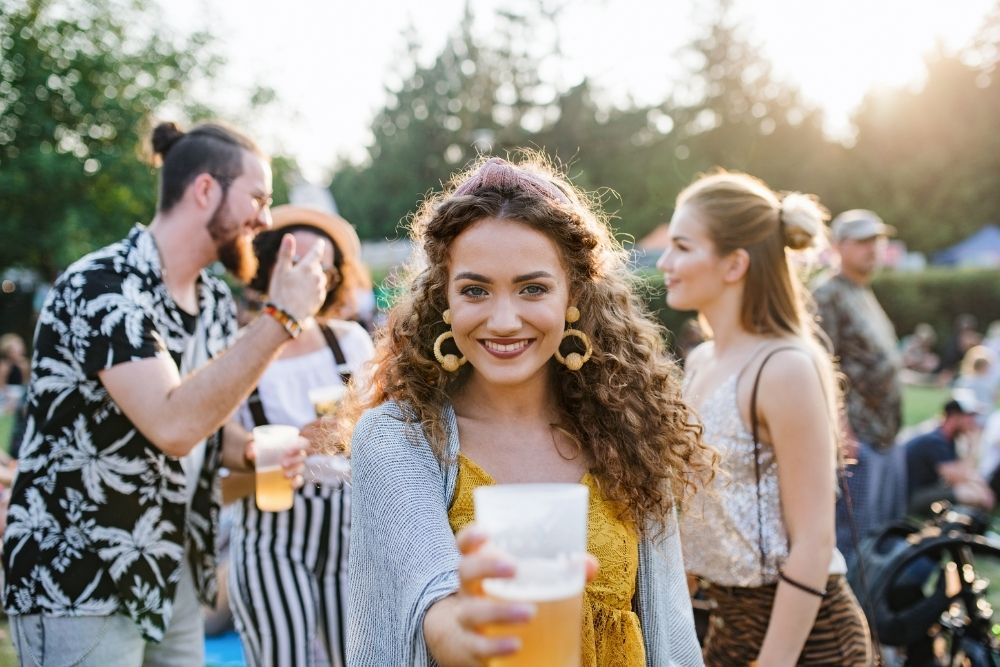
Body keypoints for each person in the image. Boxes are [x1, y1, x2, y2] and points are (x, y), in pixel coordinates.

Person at [348, 155, 713, 666]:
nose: (503, 320)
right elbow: (432, 602)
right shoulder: (398, 438)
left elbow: (671, 632)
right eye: (475, 290)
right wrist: (466, 632)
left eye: (532, 288)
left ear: (574, 296)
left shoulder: (626, 428)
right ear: (444, 300)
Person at [1, 121, 327, 666]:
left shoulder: (216, 302)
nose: (265, 220)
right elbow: (172, 425)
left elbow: (205, 424)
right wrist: (283, 317)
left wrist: (248, 450)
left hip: (169, 571)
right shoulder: (102, 288)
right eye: (258, 198)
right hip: (81, 578)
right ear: (205, 190)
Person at [659, 171, 871, 665]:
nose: (665, 263)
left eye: (682, 247)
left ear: (734, 263)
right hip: (727, 623)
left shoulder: (784, 368)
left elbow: (814, 542)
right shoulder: (701, 362)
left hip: (806, 635)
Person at [223, 205, 375, 667]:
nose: (312, 275)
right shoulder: (234, 353)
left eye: (322, 267)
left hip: (351, 527)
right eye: (300, 262)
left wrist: (352, 429)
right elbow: (216, 467)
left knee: (359, 657)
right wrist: (269, 452)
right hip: (271, 529)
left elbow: (385, 431)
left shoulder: (348, 340)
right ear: (268, 266)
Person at [812, 208, 905, 565]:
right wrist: (842, 431)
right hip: (857, 441)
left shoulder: (862, 290)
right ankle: (851, 620)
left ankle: (878, 617)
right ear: (838, 246)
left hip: (884, 437)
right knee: (854, 545)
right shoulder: (827, 293)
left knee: (880, 540)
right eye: (864, 241)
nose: (873, 248)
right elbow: (819, 365)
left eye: (878, 240)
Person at [904, 395, 992, 515]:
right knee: (969, 494)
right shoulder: (935, 441)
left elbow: (964, 474)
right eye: (970, 416)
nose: (973, 422)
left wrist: (982, 488)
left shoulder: (947, 440)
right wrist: (972, 447)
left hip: (922, 492)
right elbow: (958, 479)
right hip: (909, 499)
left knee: (974, 491)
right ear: (955, 416)